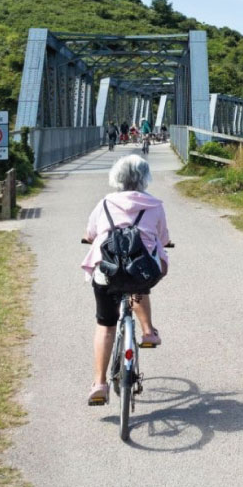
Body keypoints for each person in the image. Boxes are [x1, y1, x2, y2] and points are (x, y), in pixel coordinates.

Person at [80, 155, 172, 406]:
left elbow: (90, 234)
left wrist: (94, 239)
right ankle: (148, 332)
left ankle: (99, 383)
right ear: (145, 178)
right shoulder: (154, 205)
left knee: (106, 324)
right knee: (137, 283)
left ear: (116, 178)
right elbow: (163, 238)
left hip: (107, 272)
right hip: (141, 272)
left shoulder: (105, 203)